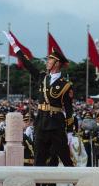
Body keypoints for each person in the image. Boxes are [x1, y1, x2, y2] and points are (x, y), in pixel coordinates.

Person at [6, 32, 75, 178]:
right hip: (41, 122)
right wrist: (15, 46)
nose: (47, 62)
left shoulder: (65, 85)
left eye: (50, 60)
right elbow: (27, 64)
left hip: (56, 124)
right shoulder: (42, 77)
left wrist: (70, 132)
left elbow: (69, 110)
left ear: (57, 63)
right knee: (38, 159)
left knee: (66, 160)